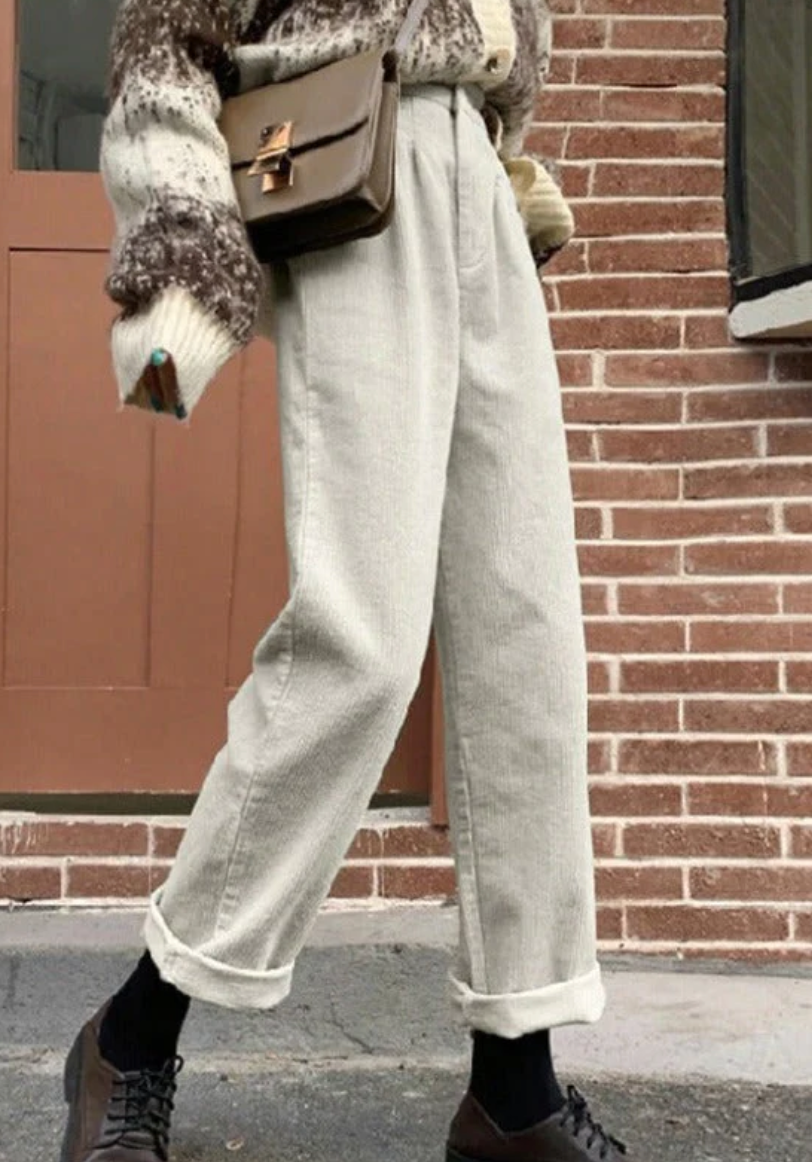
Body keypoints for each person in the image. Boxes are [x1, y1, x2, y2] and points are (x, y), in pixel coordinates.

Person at [61, 2, 637, 1160]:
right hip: (353, 163)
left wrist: (496, 166)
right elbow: (166, 49)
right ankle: (131, 1033)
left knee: (526, 649)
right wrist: (185, 262)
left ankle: (513, 1088)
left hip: (478, 179)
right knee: (358, 646)